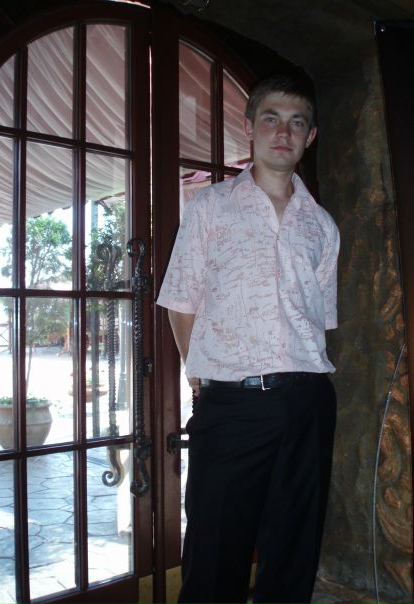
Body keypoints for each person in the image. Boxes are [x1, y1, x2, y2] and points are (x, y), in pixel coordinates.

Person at [157, 73, 340, 604]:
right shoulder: (211, 207)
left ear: (310, 136)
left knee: (294, 553)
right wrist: (198, 373)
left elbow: (320, 319)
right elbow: (181, 299)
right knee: (215, 553)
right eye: (271, 119)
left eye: (297, 123)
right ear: (250, 128)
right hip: (232, 405)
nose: (284, 132)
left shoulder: (323, 226)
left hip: (309, 402)